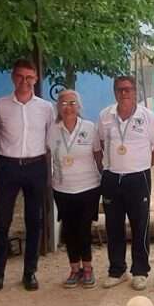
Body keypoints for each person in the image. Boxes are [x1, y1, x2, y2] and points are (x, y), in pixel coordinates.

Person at [97, 75, 154, 291]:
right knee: (113, 226)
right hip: (112, 177)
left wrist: (144, 165)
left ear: (135, 92)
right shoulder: (105, 116)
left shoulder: (147, 117)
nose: (124, 93)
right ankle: (117, 270)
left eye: (128, 89)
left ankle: (140, 271)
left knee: (140, 226)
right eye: (119, 90)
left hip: (138, 178)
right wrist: (106, 169)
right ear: (114, 92)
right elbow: (99, 144)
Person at [0, 59, 55, 291]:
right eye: (20, 76)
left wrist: (50, 171)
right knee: (2, 221)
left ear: (36, 79)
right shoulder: (0, 105)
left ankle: (30, 272)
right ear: (13, 77)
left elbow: (50, 140)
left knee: (34, 221)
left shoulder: (46, 108)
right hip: (8, 167)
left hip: (36, 166)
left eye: (29, 77)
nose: (25, 81)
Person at [48, 90, 102, 289]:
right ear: (58, 107)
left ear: (79, 106)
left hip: (88, 187)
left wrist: (105, 178)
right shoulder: (52, 130)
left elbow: (97, 155)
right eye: (63, 103)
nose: (68, 107)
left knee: (84, 228)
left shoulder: (89, 127)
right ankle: (73, 269)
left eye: (72, 103)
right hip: (62, 188)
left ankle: (87, 268)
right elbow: (47, 157)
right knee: (69, 230)